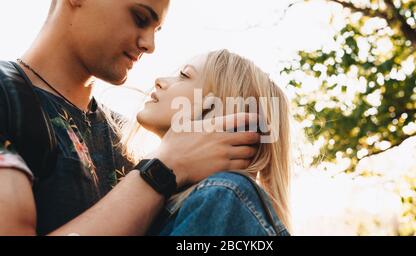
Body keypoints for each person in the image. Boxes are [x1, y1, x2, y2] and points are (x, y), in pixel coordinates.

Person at [0, 0, 260, 236]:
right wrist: (162, 170)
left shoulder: (126, 139)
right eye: (140, 18)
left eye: (156, 30)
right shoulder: (7, 97)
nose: (150, 45)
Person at [127, 49, 291, 235]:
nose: (160, 81)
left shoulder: (222, 195)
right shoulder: (172, 201)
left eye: (184, 75)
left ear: (216, 108)